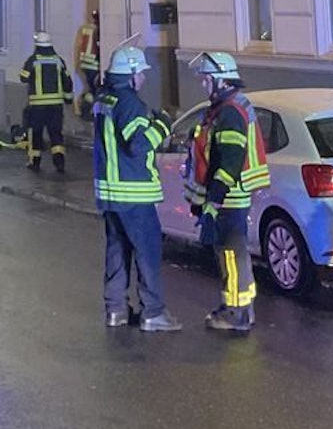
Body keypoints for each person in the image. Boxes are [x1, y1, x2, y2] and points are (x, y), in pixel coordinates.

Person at [93, 43, 181, 332]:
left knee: (117, 252)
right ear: (130, 75)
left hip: (110, 194)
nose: (143, 78)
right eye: (140, 73)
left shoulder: (104, 99)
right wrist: (163, 125)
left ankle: (116, 310)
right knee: (148, 252)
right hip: (134, 193)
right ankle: (153, 312)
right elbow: (139, 145)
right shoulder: (130, 103)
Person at [183, 51, 269, 333]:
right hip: (229, 197)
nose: (203, 84)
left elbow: (229, 163)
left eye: (206, 79)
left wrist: (213, 202)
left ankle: (236, 314)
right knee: (233, 255)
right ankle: (240, 309)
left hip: (229, 198)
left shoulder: (230, 113)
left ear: (221, 80)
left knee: (231, 256)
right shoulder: (226, 108)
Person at [19, 32, 74, 172]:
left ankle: (35, 162)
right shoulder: (58, 60)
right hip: (56, 105)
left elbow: (23, 78)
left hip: (37, 105)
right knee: (56, 133)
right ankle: (59, 162)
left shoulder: (33, 60)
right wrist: (68, 98)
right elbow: (67, 82)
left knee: (36, 133)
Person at [74, 11, 100, 119]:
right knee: (95, 90)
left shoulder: (85, 28)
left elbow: (80, 45)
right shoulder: (98, 29)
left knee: (90, 88)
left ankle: (85, 110)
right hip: (94, 65)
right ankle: (89, 112)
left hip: (85, 64)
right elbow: (98, 46)